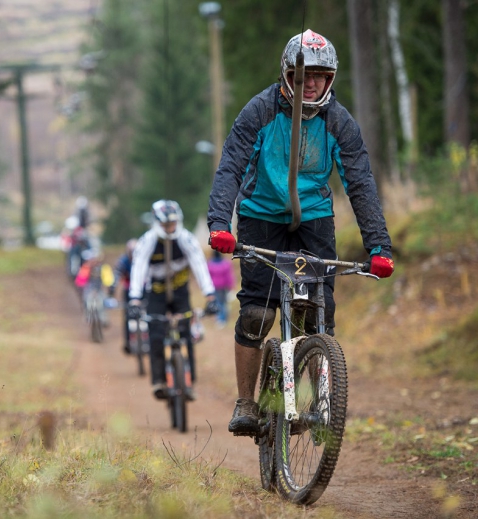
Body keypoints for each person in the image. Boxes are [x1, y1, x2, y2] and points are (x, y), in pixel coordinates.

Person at [206, 29, 395, 436]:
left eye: (320, 75)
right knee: (258, 312)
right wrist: (219, 224)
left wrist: (379, 247)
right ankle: (246, 402)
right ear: (287, 75)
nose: (311, 83)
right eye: (303, 74)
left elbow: (360, 184)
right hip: (261, 214)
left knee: (318, 314)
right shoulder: (258, 111)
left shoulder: (339, 123)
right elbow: (231, 168)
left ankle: (316, 400)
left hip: (313, 218)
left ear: (330, 79)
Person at [128, 200, 218, 401]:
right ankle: (159, 381)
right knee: (156, 335)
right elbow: (138, 268)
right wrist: (134, 299)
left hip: (180, 292)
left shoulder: (186, 239)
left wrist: (210, 296)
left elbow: (199, 265)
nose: (170, 228)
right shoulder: (148, 241)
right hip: (156, 293)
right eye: (166, 224)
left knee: (187, 334)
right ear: (156, 223)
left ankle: (189, 382)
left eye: (173, 223)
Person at [114, 239, 138, 353]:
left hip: (144, 290)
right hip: (128, 290)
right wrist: (112, 289)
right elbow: (117, 275)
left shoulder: (144, 259)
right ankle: (128, 342)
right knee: (127, 316)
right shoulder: (123, 261)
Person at [207, 249, 235, 328]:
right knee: (223, 303)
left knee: (218, 303)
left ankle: (220, 319)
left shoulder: (210, 264)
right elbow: (229, 276)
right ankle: (223, 319)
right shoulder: (225, 263)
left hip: (214, 286)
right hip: (223, 286)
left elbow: (208, 276)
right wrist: (230, 286)